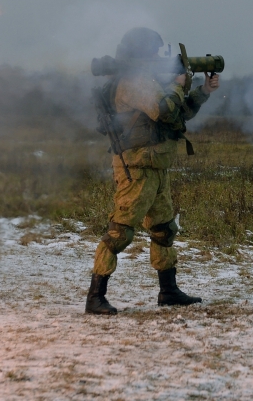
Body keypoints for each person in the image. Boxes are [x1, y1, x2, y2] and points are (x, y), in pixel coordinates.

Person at [86, 27, 219, 315]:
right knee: (120, 231)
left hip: (155, 167)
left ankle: (168, 291)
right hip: (137, 168)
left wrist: (203, 91)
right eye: (154, 53)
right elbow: (163, 110)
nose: (159, 57)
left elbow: (177, 115)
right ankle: (95, 296)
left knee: (163, 230)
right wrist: (177, 84)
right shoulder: (134, 83)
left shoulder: (147, 80)